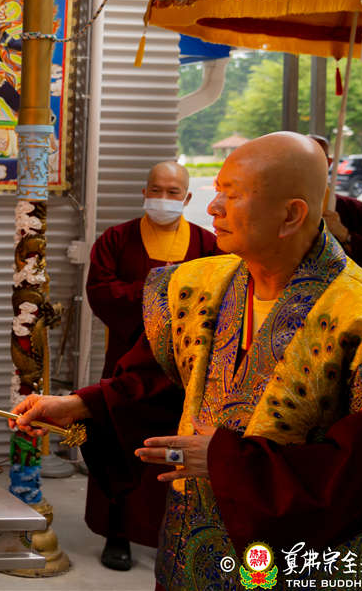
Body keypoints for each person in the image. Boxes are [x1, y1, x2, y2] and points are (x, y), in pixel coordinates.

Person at [12, 133, 362, 591]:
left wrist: (226, 462)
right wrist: (83, 405)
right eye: (217, 190)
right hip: (191, 549)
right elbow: (160, 379)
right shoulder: (194, 287)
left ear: (291, 215)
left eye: (232, 194)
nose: (213, 207)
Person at [83, 160, 219, 570]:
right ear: (144, 192)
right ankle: (117, 533)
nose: (163, 198)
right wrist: (167, 291)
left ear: (187, 197)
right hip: (126, 359)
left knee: (174, 448)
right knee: (119, 443)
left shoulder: (208, 244)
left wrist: (154, 294)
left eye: (172, 192)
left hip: (184, 368)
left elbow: (218, 297)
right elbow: (102, 293)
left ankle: (169, 531)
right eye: (156, 190)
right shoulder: (115, 239)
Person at [308, 135, 362, 278]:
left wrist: (344, 234)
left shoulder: (353, 209)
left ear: (329, 162)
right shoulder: (274, 208)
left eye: (314, 158)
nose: (306, 165)